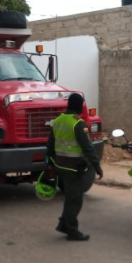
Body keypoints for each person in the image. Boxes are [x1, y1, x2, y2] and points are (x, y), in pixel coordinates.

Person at [46, 93, 104, 241]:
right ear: (79, 106)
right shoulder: (78, 124)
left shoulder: (57, 121)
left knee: (70, 198)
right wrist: (97, 166)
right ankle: (72, 231)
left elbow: (50, 145)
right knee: (75, 200)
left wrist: (50, 163)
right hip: (74, 168)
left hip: (60, 165)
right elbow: (88, 148)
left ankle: (64, 225)